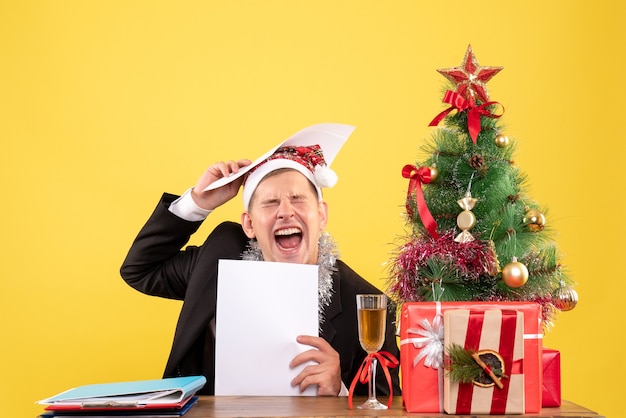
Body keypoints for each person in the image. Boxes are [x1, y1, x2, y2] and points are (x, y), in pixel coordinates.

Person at [120, 123, 401, 397]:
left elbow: (387, 402)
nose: (285, 212)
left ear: (322, 215)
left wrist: (339, 389)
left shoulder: (370, 307)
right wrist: (198, 202)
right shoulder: (220, 257)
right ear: (250, 225)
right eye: (270, 202)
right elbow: (140, 269)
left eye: (297, 199)